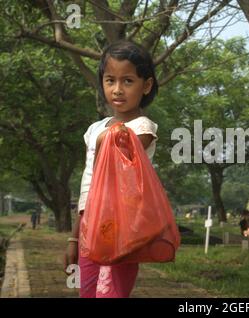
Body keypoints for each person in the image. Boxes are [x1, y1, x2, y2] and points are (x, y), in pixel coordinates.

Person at [64, 40, 163, 298]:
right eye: (110, 80)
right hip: (89, 227)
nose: (117, 90)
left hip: (121, 229)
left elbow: (122, 157)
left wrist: (105, 139)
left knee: (110, 293)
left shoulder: (143, 128)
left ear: (147, 85)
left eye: (128, 81)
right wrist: (74, 238)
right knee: (86, 293)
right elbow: (88, 188)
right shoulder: (94, 130)